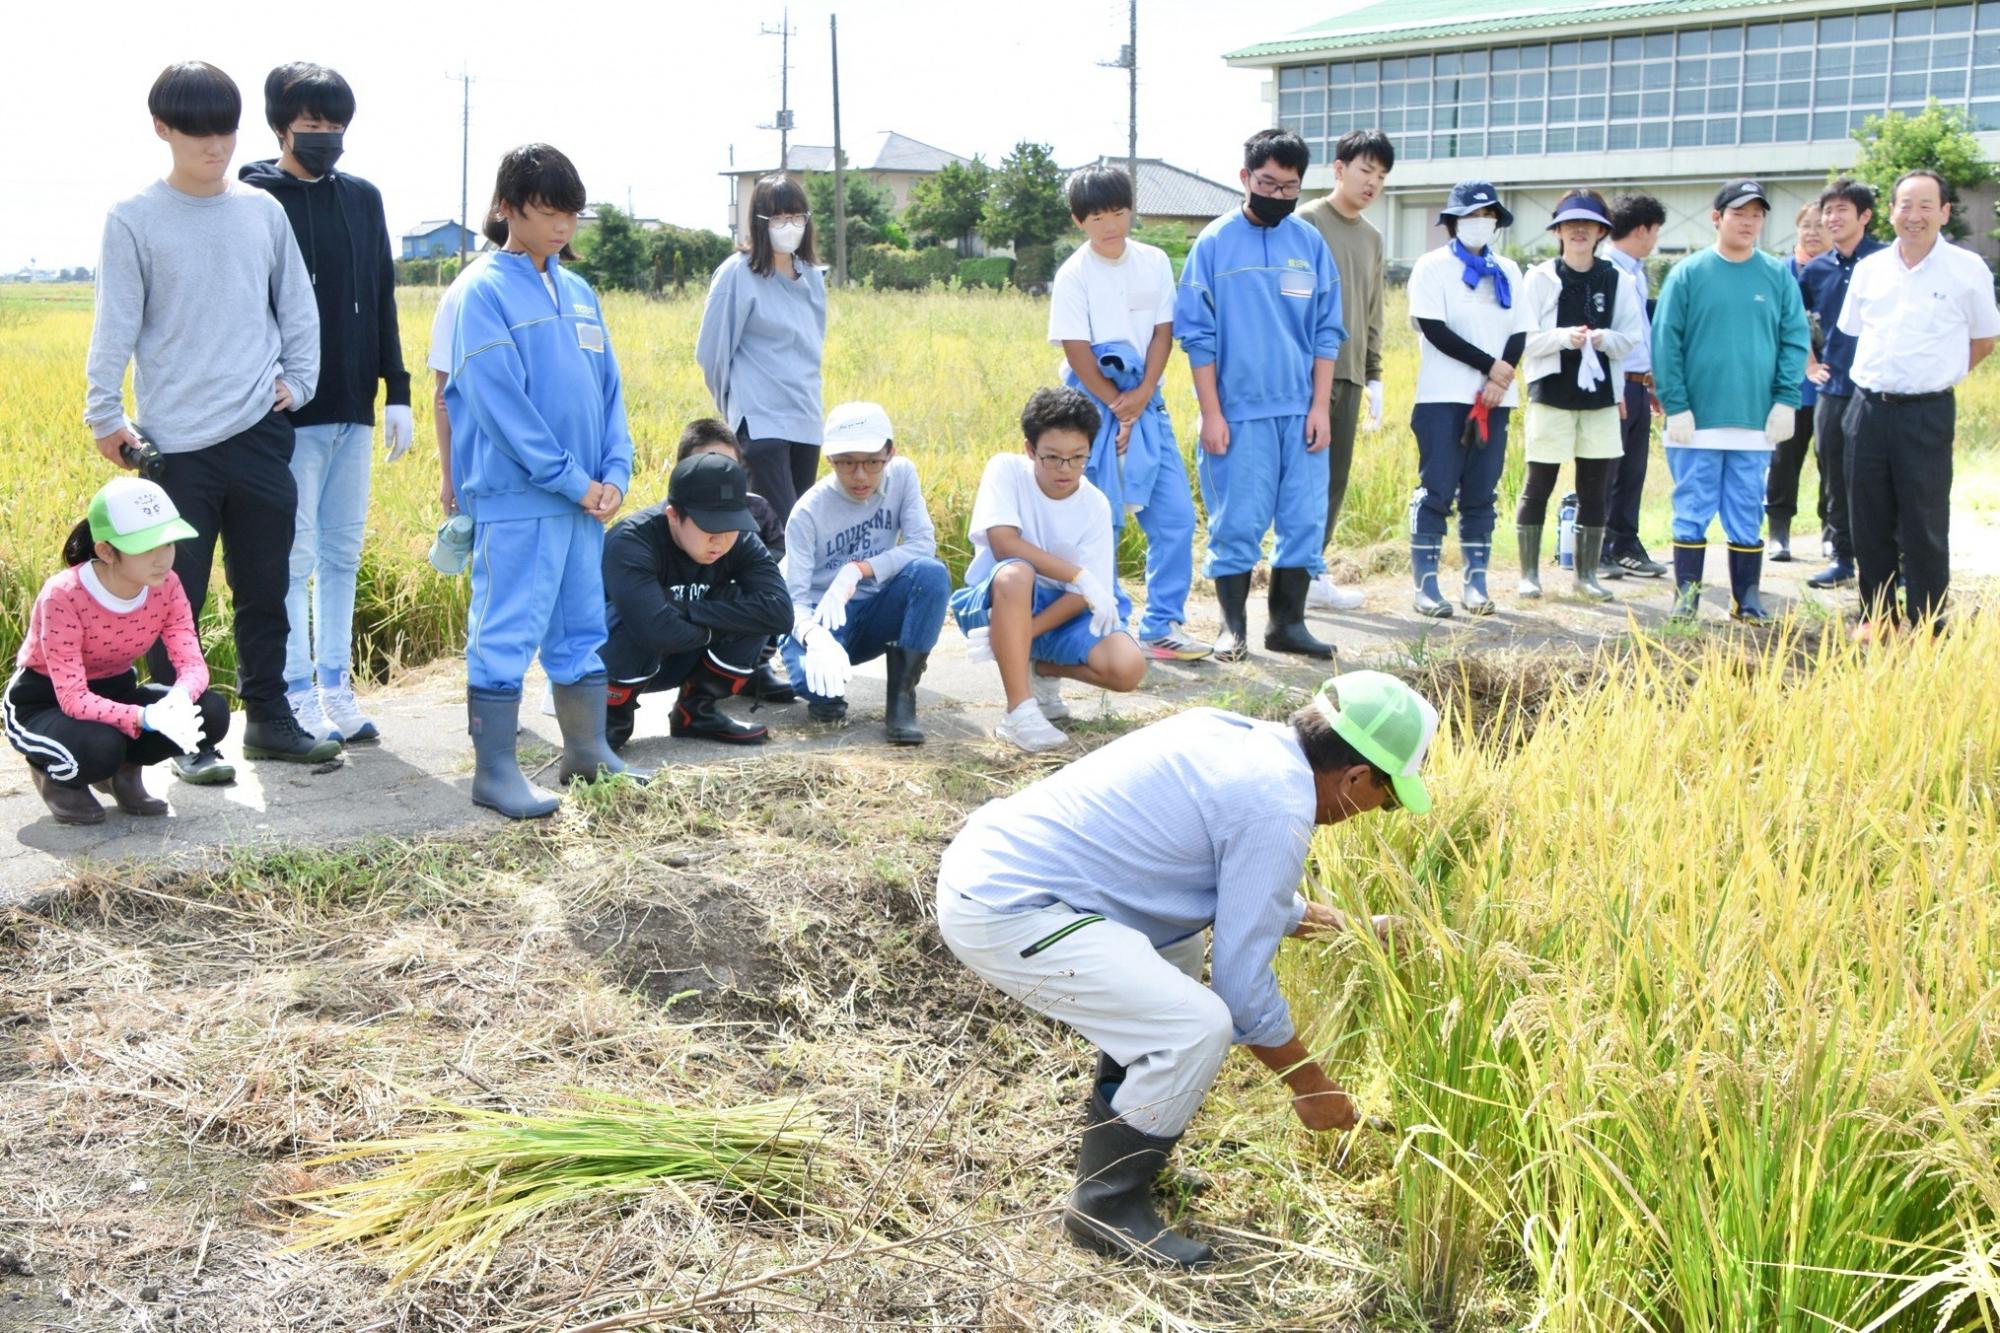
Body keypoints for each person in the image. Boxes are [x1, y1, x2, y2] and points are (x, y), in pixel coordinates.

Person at [936, 671, 1437, 1267]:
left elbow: (1230, 882)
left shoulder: (1236, 739)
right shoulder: (1279, 806)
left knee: (1176, 960)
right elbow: (1243, 987)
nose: (1377, 811)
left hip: (1004, 865)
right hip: (1008, 905)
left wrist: (1352, 927)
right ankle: (1106, 1207)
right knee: (1196, 1025)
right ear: (1355, 775)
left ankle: (1129, 1161)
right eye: (1386, 796)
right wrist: (1312, 1086)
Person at [84, 61, 335, 784]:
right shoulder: (133, 219)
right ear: (163, 129)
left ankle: (271, 721)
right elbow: (115, 326)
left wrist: (301, 381)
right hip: (175, 447)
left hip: (259, 430)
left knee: (266, 585)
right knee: (173, 601)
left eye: (225, 130)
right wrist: (105, 414)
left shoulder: (261, 210)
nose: (215, 146)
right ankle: (185, 737)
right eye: (196, 132)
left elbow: (297, 306)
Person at [448, 144, 635, 818]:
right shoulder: (481, 291)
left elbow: (608, 391)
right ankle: (495, 772)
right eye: (547, 211)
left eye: (571, 214)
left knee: (580, 625)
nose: (562, 227)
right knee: (505, 628)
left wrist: (615, 469)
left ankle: (587, 751)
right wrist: (569, 478)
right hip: (522, 499)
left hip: (585, 500)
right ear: (506, 209)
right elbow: (502, 407)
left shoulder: (579, 291)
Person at [241, 62, 411, 746]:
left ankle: (337, 686)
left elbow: (382, 292)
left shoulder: (362, 198)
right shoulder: (253, 195)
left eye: (336, 125)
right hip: (290, 413)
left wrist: (395, 389)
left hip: (353, 405)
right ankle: (293, 688)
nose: (326, 136)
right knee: (295, 555)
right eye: (313, 124)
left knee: (342, 551)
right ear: (282, 123)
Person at [1176, 128, 1345, 661]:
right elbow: (1196, 335)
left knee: (1303, 519)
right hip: (1239, 413)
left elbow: (1326, 330)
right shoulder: (1214, 244)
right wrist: (1211, 413)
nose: (1277, 196)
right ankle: (1233, 629)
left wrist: (1320, 407)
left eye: (1289, 187)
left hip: (1300, 411)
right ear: (1245, 178)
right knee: (1238, 521)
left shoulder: (1309, 243)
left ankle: (1287, 625)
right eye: (1267, 183)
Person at [1050, 164, 1209, 662]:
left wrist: (1141, 397)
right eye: (1098, 216)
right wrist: (1117, 406)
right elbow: (1076, 348)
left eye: (1119, 212)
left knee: (1175, 518)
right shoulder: (1073, 274)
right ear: (1079, 220)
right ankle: (1109, 622)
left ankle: (1162, 626)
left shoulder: (1155, 261)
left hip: (1148, 402)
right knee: (1103, 522)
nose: (1111, 225)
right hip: (1091, 408)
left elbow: (1164, 330)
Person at [6, 479, 230, 825]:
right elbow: (72, 698)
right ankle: (58, 777)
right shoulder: (64, 594)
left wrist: (180, 699)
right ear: (107, 551)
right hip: (45, 700)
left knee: (210, 712)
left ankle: (122, 773)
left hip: (116, 689)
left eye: (168, 542)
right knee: (100, 746)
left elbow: (191, 663)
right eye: (146, 547)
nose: (162, 558)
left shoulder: (167, 585)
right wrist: (145, 718)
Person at [1837, 169, 2000, 637]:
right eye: (1905, 205)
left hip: (1926, 413)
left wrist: (1939, 374)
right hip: (1866, 409)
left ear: (1945, 212)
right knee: (1867, 519)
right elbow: (1853, 333)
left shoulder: (1966, 269)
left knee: (1923, 521)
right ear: (1890, 212)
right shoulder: (1870, 269)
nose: (1915, 215)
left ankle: (1929, 621)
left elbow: (1984, 340)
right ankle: (1878, 616)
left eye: (1926, 205)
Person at [950, 388, 1146, 753]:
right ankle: (1019, 713)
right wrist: (1078, 574)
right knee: (1016, 573)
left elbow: (1080, 599)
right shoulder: (1006, 470)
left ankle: (1042, 669)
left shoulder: (1095, 505)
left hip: (1056, 613)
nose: (1065, 469)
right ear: (1030, 450)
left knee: (1128, 667)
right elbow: (1004, 543)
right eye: (1052, 458)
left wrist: (1018, 637)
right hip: (996, 601)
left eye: (1077, 458)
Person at [1652, 179, 1809, 625]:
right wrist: (1676, 403)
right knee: (1692, 509)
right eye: (1740, 213)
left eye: (1757, 214)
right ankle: (1687, 599)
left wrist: (1785, 398)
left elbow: (1795, 339)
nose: (1749, 222)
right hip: (1695, 420)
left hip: (1754, 418)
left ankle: (1748, 599)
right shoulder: (1688, 273)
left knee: (1746, 509)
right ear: (1717, 217)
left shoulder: (1776, 275)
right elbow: (1667, 343)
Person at [779, 403, 949, 744]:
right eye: (847, 463)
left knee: (930, 574)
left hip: (876, 610)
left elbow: (922, 544)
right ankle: (823, 692)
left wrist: (859, 570)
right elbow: (792, 600)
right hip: (824, 617)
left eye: (872, 462)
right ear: (829, 460)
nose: (860, 476)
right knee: (820, 691)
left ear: (890, 453)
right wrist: (815, 636)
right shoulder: (807, 514)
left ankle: (902, 697)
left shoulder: (901, 476)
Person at [602, 454, 794, 749]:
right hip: (619, 658)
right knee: (631, 618)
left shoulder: (739, 539)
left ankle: (696, 712)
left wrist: (686, 609)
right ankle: (609, 724)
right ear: (673, 515)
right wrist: (717, 627)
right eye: (710, 527)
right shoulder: (631, 541)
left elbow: (780, 613)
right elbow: (654, 630)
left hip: (683, 647)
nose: (720, 540)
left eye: (730, 525)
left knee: (751, 606)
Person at [1405, 180, 1529, 617]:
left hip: (1496, 398)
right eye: (1471, 216)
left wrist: (1500, 377)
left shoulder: (1509, 270)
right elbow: (1434, 329)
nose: (1480, 223)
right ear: (1454, 221)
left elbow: (1518, 331)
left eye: (1488, 215)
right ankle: (1426, 585)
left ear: (1497, 222)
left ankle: (1475, 581)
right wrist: (1488, 366)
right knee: (1436, 487)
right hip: (1443, 395)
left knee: (1482, 491)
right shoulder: (1432, 266)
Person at [1515, 190, 1645, 602]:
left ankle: (1586, 575)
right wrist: (1563, 338)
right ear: (1557, 230)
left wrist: (1603, 339)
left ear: (1601, 232)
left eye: (1587, 225)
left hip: (1600, 398)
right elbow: (1523, 340)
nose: (1579, 231)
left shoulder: (1617, 280)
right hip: (1550, 392)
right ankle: (1529, 574)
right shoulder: (1540, 277)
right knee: (1539, 484)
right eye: (1571, 224)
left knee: (1595, 488)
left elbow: (1632, 340)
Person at [1296, 129, 1393, 611]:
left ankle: (1311, 571)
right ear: (1339, 169)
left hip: (1351, 371)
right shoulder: (1307, 221)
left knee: (1334, 478)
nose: (1372, 182)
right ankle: (1294, 570)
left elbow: (1373, 310)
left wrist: (1374, 372)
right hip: (1305, 371)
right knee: (1300, 477)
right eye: (1364, 170)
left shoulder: (1373, 237)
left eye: (1381, 175)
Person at [695, 173, 827, 523]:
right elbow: (711, 354)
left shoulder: (812, 276)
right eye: (780, 218)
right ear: (760, 222)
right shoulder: (737, 274)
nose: (790, 226)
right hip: (761, 422)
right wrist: (737, 412)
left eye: (797, 217)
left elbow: (813, 347)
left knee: (803, 529)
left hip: (806, 418)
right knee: (780, 530)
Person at [1800, 179, 1888, 591]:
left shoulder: (1888, 262)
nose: (1831, 219)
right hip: (1833, 389)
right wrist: (1809, 364)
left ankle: (1894, 561)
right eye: (1827, 211)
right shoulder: (1815, 270)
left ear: (1865, 217)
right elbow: (1793, 321)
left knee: (1882, 477)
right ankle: (1842, 557)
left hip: (1879, 390)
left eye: (1841, 211)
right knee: (1833, 475)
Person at [675, 419, 799, 704]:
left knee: (771, 590)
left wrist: (748, 569)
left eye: (726, 464)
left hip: (735, 602)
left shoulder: (757, 506)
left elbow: (781, 551)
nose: (716, 473)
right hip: (691, 608)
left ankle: (755, 665)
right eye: (706, 462)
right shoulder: (676, 514)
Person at [1602, 194, 1669, 578]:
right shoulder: (1608, 269)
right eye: (1655, 231)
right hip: (1616, 385)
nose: (1655, 239)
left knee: (1632, 472)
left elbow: (1641, 334)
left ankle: (1626, 544)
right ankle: (1599, 548)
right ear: (1642, 229)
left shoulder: (1636, 271)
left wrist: (1652, 379)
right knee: (1606, 472)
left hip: (1639, 384)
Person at [1763, 201, 1830, 562]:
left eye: (1821, 225)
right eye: (1807, 225)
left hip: (1832, 386)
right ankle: (1778, 532)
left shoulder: (1839, 271)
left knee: (1832, 464)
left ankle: (1831, 533)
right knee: (1783, 460)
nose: (1814, 231)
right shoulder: (1778, 272)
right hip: (1788, 384)